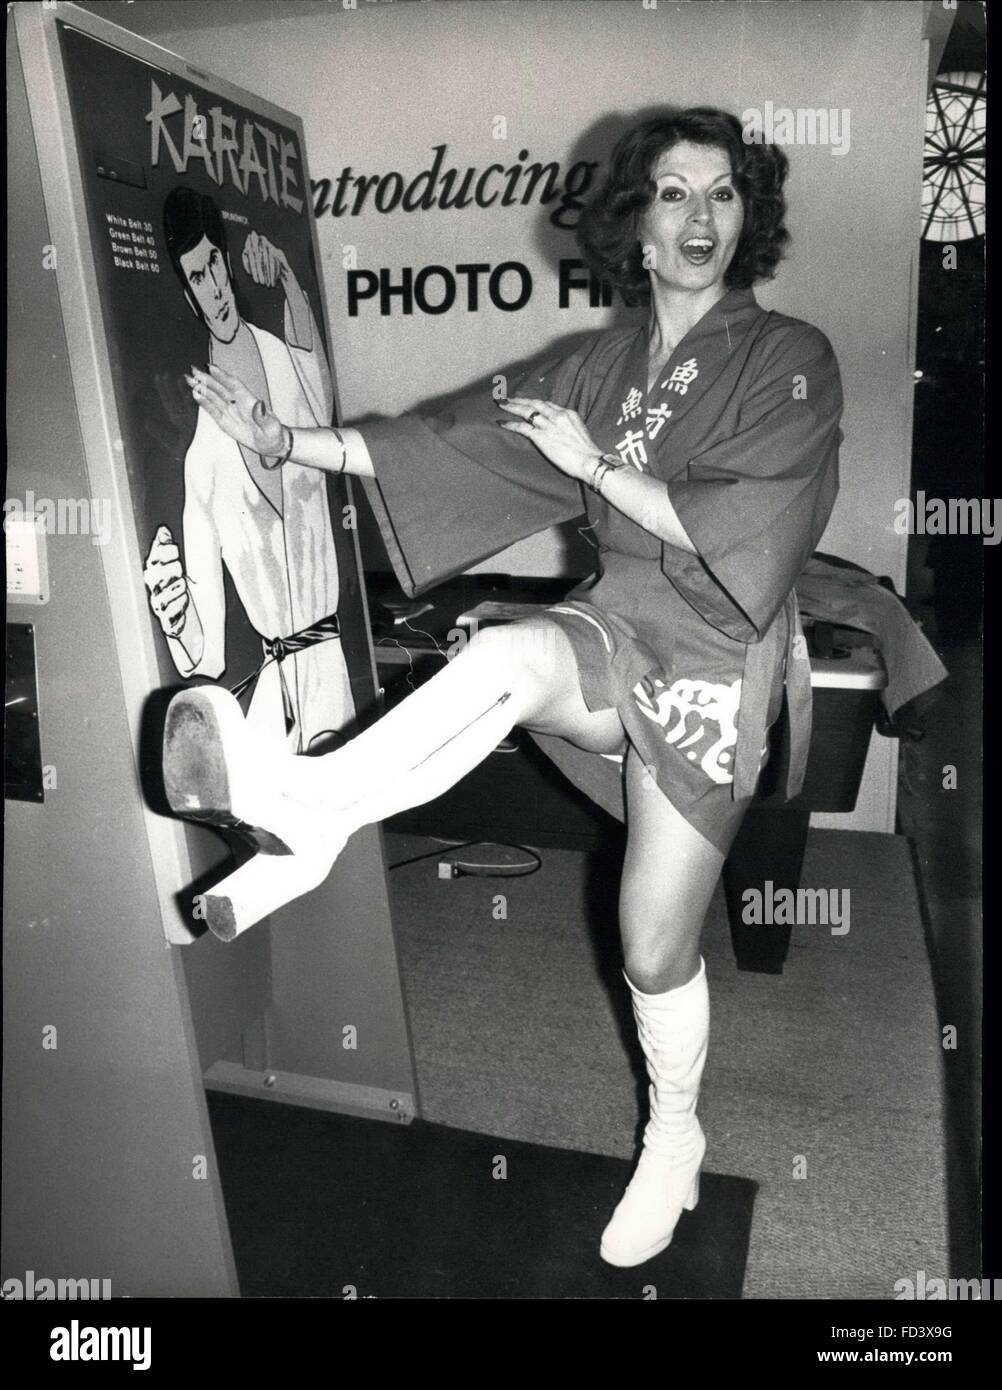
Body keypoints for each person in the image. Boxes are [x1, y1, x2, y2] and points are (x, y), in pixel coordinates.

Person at [163, 108, 843, 1268]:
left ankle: (675, 1135)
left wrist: (594, 465)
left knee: (650, 946)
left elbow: (745, 530)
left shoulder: (792, 359)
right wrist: (286, 441)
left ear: (749, 214)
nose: (699, 217)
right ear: (634, 224)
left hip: (724, 656)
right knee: (500, 653)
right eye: (672, 194)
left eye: (722, 193)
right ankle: (312, 806)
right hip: (616, 621)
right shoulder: (602, 362)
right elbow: (446, 440)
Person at [143, 186, 353, 752]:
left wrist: (287, 276)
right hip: (276, 707)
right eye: (196, 277)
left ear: (228, 262)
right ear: (187, 295)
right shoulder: (202, 460)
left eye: (214, 264)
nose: (213, 289)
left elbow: (325, 415)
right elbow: (202, 655)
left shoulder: (292, 367)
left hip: (333, 679)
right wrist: (172, 608)